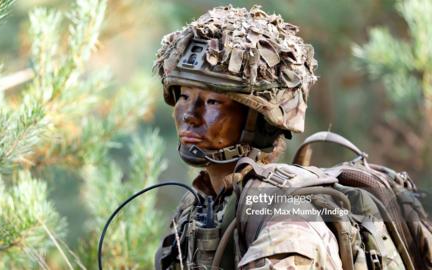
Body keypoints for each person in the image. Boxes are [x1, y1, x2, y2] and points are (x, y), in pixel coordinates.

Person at [153, 5, 408, 270]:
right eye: (184, 96)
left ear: (259, 121)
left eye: (213, 102)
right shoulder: (199, 204)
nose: (190, 115)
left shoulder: (287, 222)